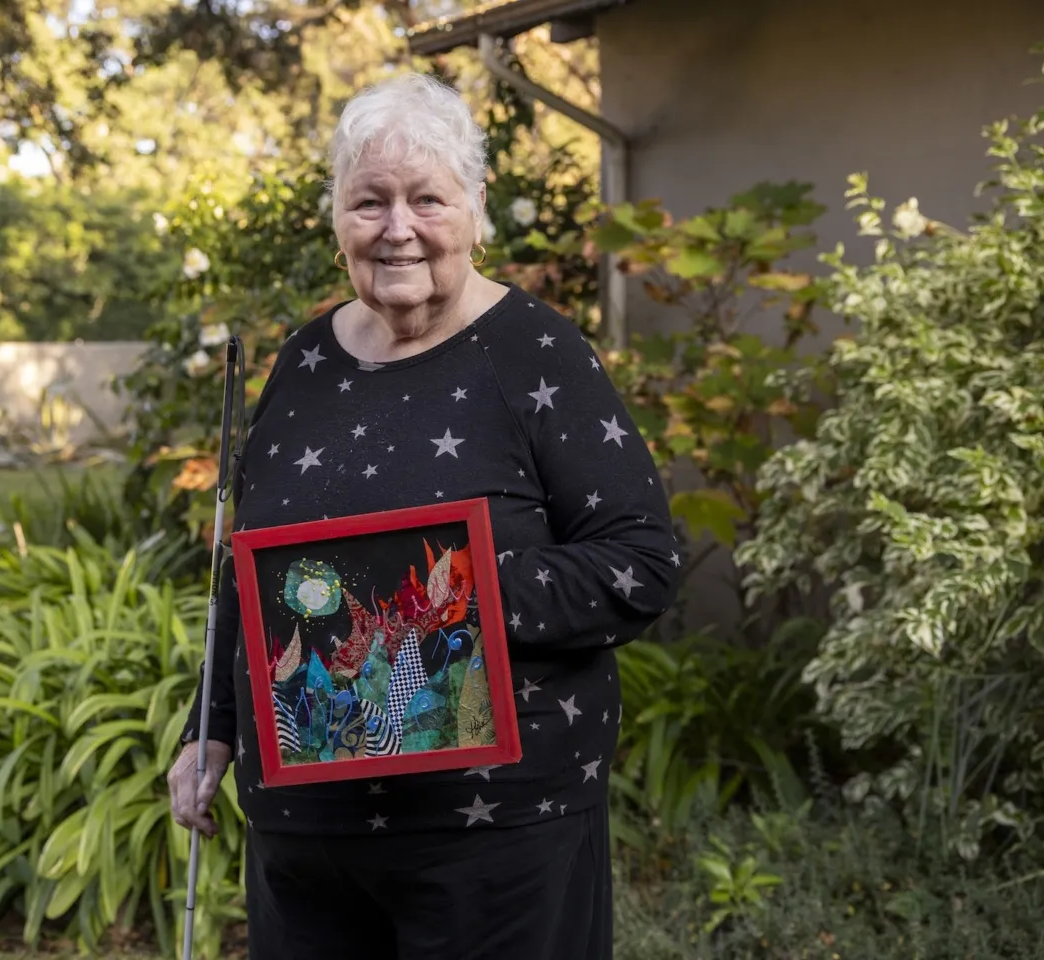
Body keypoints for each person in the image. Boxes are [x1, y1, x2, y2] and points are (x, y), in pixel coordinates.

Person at [167, 72, 680, 960]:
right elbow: (253, 575)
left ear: (475, 208)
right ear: (338, 220)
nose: (396, 227)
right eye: (369, 201)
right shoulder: (302, 363)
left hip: (497, 838)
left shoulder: (536, 352)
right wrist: (210, 727)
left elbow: (640, 563)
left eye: (426, 199)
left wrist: (451, 601)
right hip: (307, 838)